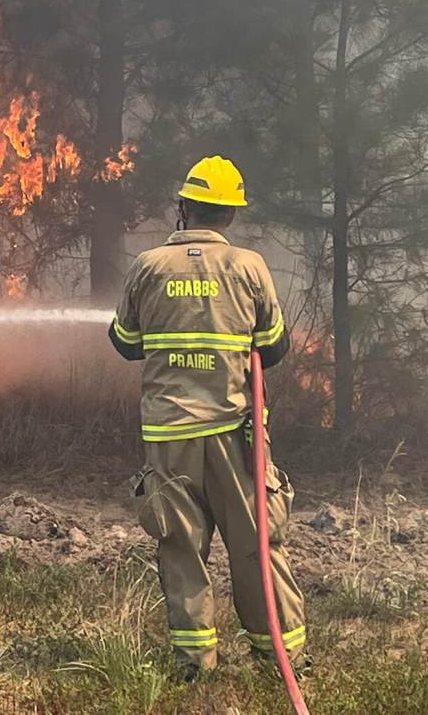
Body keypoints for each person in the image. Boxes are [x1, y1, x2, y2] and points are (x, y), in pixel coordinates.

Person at [107, 155, 306, 681]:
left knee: (181, 549)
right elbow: (275, 346)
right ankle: (282, 662)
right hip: (235, 436)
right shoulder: (249, 268)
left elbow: (124, 343)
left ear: (184, 207)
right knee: (256, 546)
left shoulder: (148, 266)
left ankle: (194, 666)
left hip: (170, 436)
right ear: (231, 216)